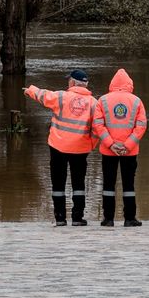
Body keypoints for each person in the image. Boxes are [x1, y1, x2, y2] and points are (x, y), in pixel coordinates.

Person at [24, 69, 98, 226]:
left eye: (68, 81)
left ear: (72, 82)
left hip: (58, 146)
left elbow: (44, 95)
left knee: (58, 183)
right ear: (86, 84)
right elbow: (98, 128)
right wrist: (92, 144)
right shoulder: (94, 103)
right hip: (81, 148)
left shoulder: (61, 97)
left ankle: (60, 218)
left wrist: (30, 90)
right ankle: (77, 218)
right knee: (79, 184)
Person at [92, 68, 148, 227]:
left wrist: (111, 144)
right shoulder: (136, 101)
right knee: (129, 185)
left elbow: (98, 125)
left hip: (108, 150)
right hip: (129, 151)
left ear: (112, 84)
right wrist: (128, 145)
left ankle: (108, 219)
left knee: (108, 185)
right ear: (130, 84)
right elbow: (141, 125)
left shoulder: (102, 100)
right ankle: (129, 218)